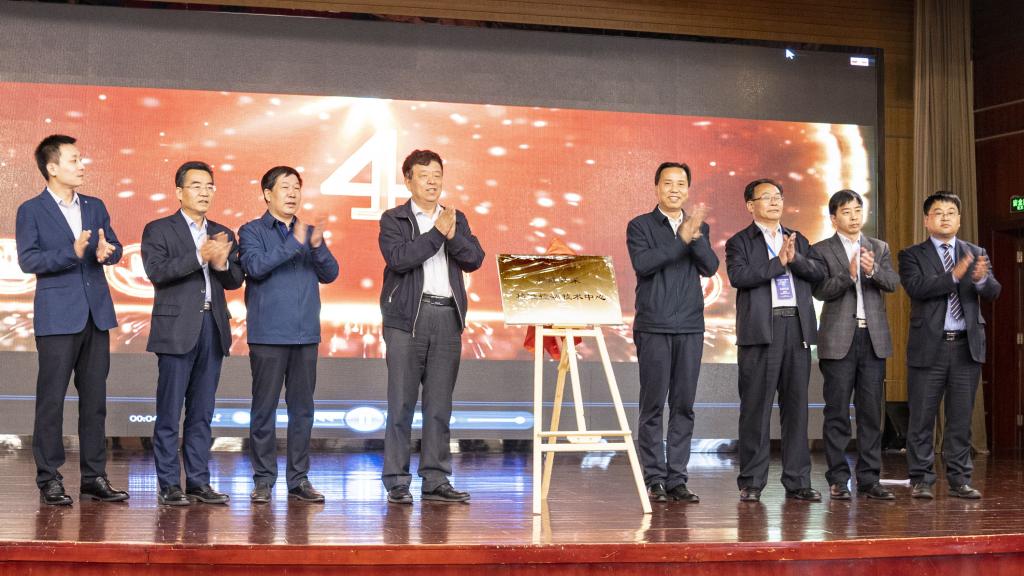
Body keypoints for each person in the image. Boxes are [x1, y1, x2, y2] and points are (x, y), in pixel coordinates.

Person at [15, 134, 129, 505]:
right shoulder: (31, 210)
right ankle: (49, 478)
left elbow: (113, 246)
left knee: (95, 401)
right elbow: (29, 260)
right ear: (52, 167)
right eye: (74, 160)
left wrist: (109, 252)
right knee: (51, 402)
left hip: (96, 315)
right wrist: (72, 251)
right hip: (57, 318)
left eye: (81, 159)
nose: (82, 166)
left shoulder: (95, 206)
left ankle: (94, 477)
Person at [379, 149, 484, 504]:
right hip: (407, 320)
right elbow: (400, 259)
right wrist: (438, 234)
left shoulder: (455, 217)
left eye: (437, 175)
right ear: (408, 180)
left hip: (446, 317)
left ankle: (436, 479)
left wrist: (452, 234)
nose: (432, 182)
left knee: (439, 406)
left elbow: (474, 259)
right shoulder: (394, 219)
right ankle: (397, 480)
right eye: (424, 176)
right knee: (401, 403)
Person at [141, 161, 244, 506]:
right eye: (196, 186)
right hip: (176, 329)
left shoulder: (222, 232)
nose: (204, 192)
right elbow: (157, 272)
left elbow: (235, 280)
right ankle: (169, 484)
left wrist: (222, 263)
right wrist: (199, 256)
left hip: (212, 327)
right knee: (169, 412)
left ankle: (199, 481)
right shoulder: (159, 229)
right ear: (179, 192)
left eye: (209, 186)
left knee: (202, 412)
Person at [239, 166, 339, 503]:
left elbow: (331, 273)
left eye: (297, 187)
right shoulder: (251, 231)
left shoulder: (308, 232)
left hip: (305, 334)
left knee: (303, 412)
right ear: (267, 194)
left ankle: (298, 480)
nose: (293, 193)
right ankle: (263, 480)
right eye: (285, 187)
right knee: (263, 410)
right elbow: (255, 267)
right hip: (268, 335)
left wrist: (317, 245)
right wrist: (294, 244)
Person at [725, 178, 825, 502]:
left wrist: (795, 259)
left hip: (796, 327)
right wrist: (777, 262)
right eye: (766, 197)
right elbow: (739, 276)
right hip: (760, 332)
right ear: (750, 205)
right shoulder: (740, 242)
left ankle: (798, 481)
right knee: (756, 408)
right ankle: (752, 482)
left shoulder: (798, 239)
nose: (774, 202)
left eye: (778, 196)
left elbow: (818, 273)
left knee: (796, 409)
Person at [626, 162, 719, 503]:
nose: (675, 189)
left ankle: (677, 478)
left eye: (681, 184)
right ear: (657, 188)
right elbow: (644, 264)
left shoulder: (699, 227)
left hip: (690, 327)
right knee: (653, 405)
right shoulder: (640, 225)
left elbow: (710, 266)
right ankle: (654, 478)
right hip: (654, 325)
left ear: (688, 190)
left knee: (684, 405)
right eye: (668, 183)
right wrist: (681, 238)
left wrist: (695, 238)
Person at [898, 192, 1000, 499]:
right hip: (930, 346)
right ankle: (921, 478)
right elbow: (916, 287)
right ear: (926, 220)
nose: (945, 217)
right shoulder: (912, 255)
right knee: (922, 417)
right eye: (938, 212)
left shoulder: (975, 252)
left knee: (960, 418)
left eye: (951, 212)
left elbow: (994, 291)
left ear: (959, 219)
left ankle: (959, 479)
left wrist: (981, 281)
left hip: (966, 347)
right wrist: (952, 276)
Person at [810, 190, 899, 501]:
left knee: (871, 413)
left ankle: (870, 479)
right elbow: (820, 291)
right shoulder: (821, 250)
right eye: (846, 212)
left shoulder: (879, 247)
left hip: (872, 339)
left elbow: (893, 283)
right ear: (834, 218)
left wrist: (872, 270)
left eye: (858, 210)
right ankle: (837, 479)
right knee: (836, 412)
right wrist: (848, 276)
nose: (854, 216)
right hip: (838, 340)